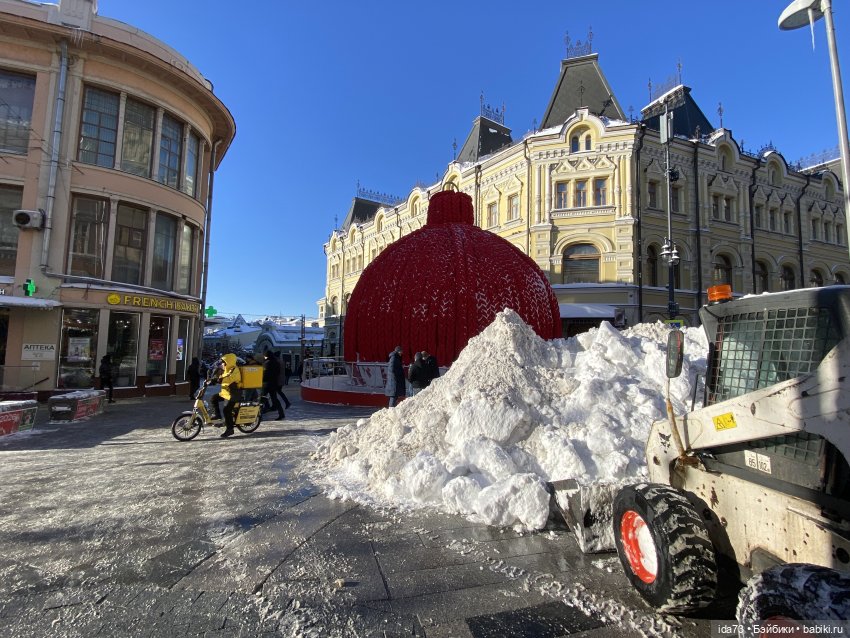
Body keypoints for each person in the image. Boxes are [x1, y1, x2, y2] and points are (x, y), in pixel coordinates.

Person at [210, 353, 242, 438]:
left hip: (234, 394)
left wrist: (218, 380)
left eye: (224, 362)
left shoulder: (235, 369)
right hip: (226, 393)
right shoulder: (227, 369)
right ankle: (217, 415)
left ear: (229, 362)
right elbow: (223, 376)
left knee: (226, 410)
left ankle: (230, 429)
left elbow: (229, 378)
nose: (222, 364)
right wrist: (213, 379)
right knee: (214, 398)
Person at [262, 351, 285, 420]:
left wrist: (263, 379)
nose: (265, 357)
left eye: (265, 356)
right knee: (274, 399)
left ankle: (261, 413)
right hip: (273, 383)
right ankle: (281, 413)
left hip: (269, 383)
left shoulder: (269, 363)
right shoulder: (275, 362)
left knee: (263, 397)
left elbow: (267, 373)